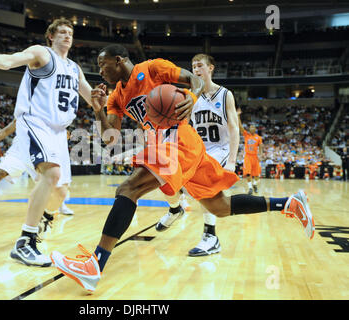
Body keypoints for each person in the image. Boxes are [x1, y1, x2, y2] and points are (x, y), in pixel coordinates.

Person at [50, 44, 315, 293]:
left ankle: (94, 265)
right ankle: (290, 203)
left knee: (128, 188)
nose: (100, 70)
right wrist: (97, 108)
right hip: (177, 148)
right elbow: (110, 137)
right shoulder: (116, 96)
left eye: (102, 64)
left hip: (180, 140)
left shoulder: (152, 68)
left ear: (118, 60)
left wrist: (192, 96)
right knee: (219, 207)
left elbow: (195, 80)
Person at [0, 18, 94, 267]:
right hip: (36, 121)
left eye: (70, 32)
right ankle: (25, 243)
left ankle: (42, 217)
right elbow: (11, 60)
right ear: (51, 37)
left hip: (58, 131)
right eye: (62, 32)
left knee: (61, 192)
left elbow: (91, 96)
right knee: (51, 174)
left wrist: (107, 99)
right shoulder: (41, 53)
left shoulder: (75, 68)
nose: (67, 35)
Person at [155, 53, 240, 257]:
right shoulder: (189, 95)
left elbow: (234, 128)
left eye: (200, 65)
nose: (195, 69)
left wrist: (232, 161)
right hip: (196, 147)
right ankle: (175, 208)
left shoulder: (224, 94)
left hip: (219, 148)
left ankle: (210, 236)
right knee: (162, 171)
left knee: (205, 186)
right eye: (193, 66)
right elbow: (180, 123)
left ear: (210, 68)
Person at [0, 119, 55, 237]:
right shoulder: (23, 113)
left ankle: (46, 216)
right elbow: (6, 130)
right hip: (18, 152)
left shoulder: (49, 116)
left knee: (44, 187)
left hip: (38, 153)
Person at [237, 109, 263, 194]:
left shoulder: (258, 137)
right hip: (248, 156)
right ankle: (250, 188)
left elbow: (261, 147)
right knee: (248, 173)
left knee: (256, 176)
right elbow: (240, 127)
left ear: (255, 129)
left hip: (255, 157)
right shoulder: (246, 135)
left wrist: (261, 154)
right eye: (250, 127)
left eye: (253, 127)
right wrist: (238, 116)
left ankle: (254, 184)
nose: (251, 128)